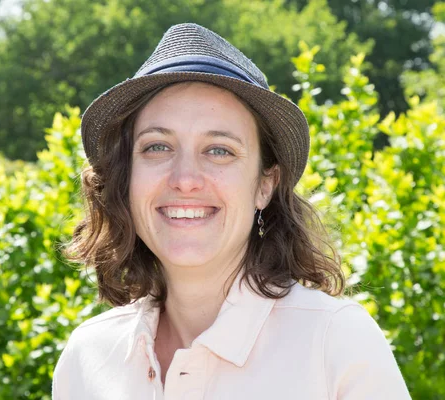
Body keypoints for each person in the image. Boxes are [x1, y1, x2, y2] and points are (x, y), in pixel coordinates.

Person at [52, 23, 411, 399]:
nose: (185, 179)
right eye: (157, 147)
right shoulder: (87, 357)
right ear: (126, 179)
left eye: (219, 150)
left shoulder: (335, 343)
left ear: (264, 185)